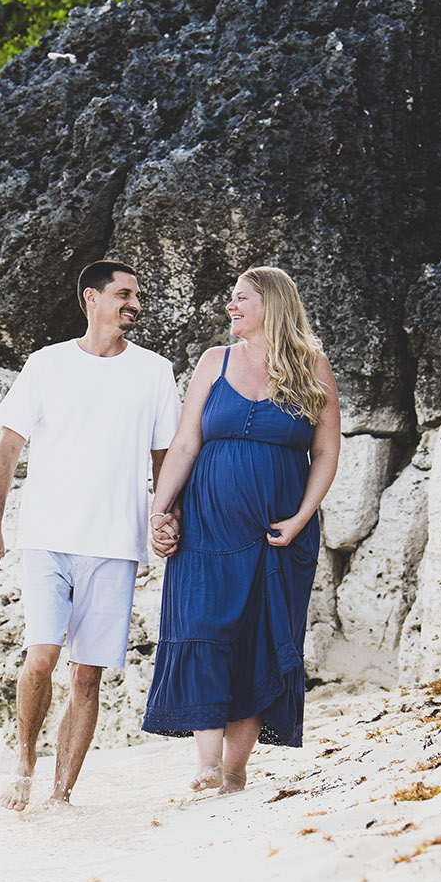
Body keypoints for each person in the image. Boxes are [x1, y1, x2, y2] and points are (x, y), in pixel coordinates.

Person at [0, 259, 181, 811]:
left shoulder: (156, 372)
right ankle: (24, 760)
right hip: (47, 535)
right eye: (124, 294)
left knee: (86, 675)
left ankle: (61, 795)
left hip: (116, 542)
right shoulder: (47, 365)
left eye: (138, 295)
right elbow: (8, 450)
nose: (134, 304)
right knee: (41, 655)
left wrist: (165, 518)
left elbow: (168, 459)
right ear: (91, 298)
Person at [141, 266, 340, 795]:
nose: (230, 307)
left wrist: (301, 518)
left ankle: (234, 771)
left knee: (258, 638)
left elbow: (325, 451)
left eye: (241, 298)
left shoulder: (312, 366)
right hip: (206, 524)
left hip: (279, 531)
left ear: (270, 303)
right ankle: (207, 764)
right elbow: (185, 445)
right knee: (204, 628)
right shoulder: (213, 362)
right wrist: (159, 512)